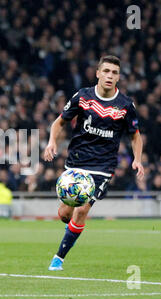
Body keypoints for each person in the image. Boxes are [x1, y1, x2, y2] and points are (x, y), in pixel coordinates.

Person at [43, 55, 144, 271]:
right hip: (76, 162)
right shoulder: (82, 97)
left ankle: (58, 258)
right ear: (97, 73)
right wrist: (52, 142)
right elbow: (59, 122)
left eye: (114, 72)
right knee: (65, 214)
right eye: (106, 71)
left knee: (82, 210)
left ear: (118, 77)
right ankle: (68, 225)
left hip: (103, 168)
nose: (109, 76)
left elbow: (135, 135)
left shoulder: (125, 105)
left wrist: (137, 159)